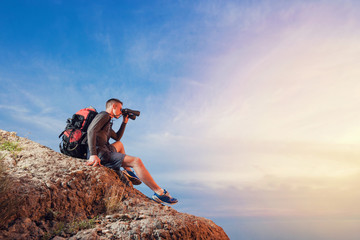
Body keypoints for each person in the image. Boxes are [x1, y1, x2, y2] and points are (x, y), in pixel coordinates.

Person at [86, 98, 178, 205]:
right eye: (120, 108)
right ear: (113, 106)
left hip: (105, 149)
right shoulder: (104, 115)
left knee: (119, 145)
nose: (121, 111)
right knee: (136, 161)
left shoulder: (107, 121)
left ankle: (128, 171)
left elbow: (117, 138)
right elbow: (91, 130)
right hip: (101, 153)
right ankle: (159, 192)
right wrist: (93, 154)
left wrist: (124, 122)